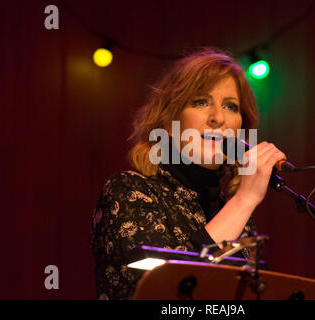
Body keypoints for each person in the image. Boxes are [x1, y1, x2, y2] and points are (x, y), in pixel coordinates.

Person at [90, 48, 286, 300]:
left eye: (230, 106)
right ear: (169, 120)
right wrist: (245, 199)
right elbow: (166, 291)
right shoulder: (128, 191)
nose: (218, 118)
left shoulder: (237, 216)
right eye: (201, 102)